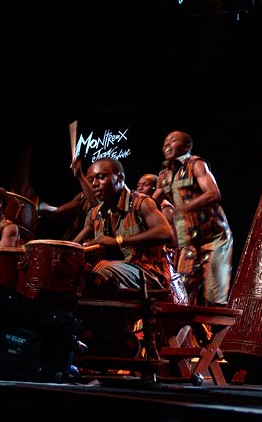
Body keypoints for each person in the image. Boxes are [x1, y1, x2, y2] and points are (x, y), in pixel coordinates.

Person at [152, 130, 233, 308]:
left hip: (213, 239)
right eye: (165, 142)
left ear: (186, 147)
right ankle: (196, 335)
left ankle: (223, 334)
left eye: (172, 141)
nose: (167, 144)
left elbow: (213, 194)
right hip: (188, 243)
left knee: (214, 299)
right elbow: (152, 201)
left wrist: (183, 208)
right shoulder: (163, 175)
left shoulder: (196, 164)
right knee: (180, 297)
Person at [79, 158, 175, 296]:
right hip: (117, 270)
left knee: (102, 269)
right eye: (91, 180)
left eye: (101, 177)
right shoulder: (97, 213)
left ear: (120, 178)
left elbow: (166, 233)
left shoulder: (141, 203)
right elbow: (76, 243)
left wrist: (118, 240)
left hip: (149, 273)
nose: (94, 184)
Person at [136, 173, 178, 268]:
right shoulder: (141, 207)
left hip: (167, 259)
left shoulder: (165, 208)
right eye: (138, 185)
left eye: (145, 185)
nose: (140, 188)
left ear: (156, 188)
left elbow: (173, 242)